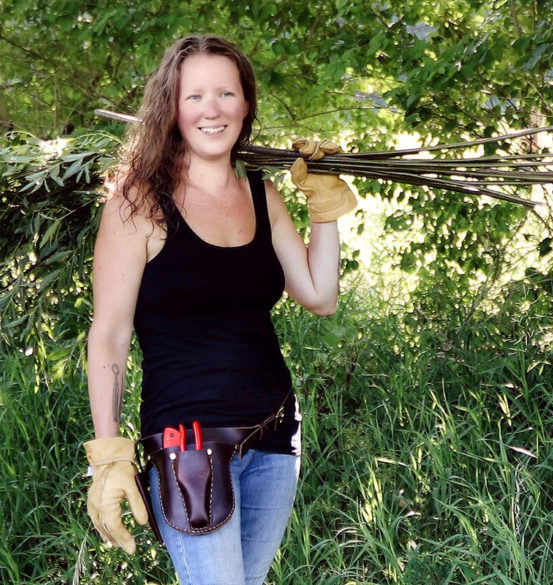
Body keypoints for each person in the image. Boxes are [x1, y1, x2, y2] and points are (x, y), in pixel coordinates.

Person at [82, 35, 357, 585]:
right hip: (188, 449)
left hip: (276, 437)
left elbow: (320, 296)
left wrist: (323, 204)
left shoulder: (263, 194)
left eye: (226, 93)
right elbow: (109, 335)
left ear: (246, 104)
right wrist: (109, 454)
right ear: (172, 109)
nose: (213, 109)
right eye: (195, 96)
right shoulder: (138, 205)